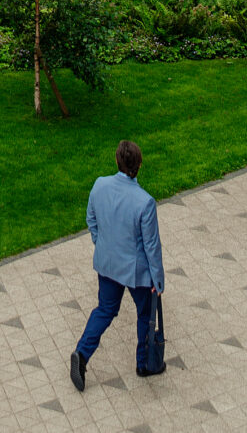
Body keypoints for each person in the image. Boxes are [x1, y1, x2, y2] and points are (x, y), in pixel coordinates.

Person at [70, 140, 165, 392]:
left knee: (105, 309)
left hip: (108, 264)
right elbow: (152, 246)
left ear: (117, 161)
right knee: (145, 314)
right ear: (139, 165)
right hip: (136, 272)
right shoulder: (145, 202)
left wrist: (101, 244)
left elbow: (91, 219)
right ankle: (144, 364)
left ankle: (82, 353)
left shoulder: (99, 185)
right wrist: (158, 281)